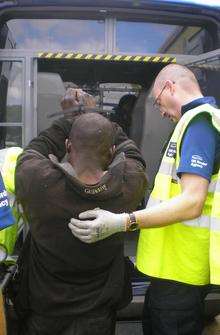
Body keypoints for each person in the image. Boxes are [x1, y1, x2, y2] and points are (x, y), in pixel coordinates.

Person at [69, 64, 220, 335]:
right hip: (171, 269)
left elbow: (192, 201)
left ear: (171, 87)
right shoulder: (190, 123)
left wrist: (124, 222)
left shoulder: (199, 123)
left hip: (181, 271)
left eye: (158, 101)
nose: (160, 111)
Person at [14, 110, 147, 334]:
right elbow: (133, 155)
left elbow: (36, 149)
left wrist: (71, 118)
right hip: (98, 315)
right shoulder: (129, 184)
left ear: (68, 146)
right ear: (112, 151)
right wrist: (103, 119)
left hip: (44, 311)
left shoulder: (38, 182)